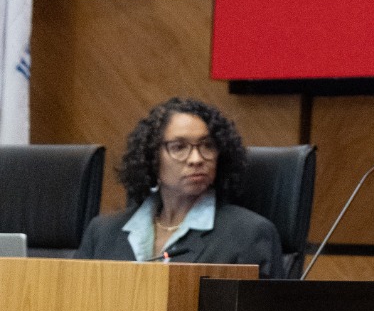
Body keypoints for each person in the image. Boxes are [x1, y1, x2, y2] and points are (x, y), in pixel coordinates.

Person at [77, 98, 283, 278]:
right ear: (151, 157)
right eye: (179, 147)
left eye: (207, 146)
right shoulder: (103, 232)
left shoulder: (248, 234)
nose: (196, 159)